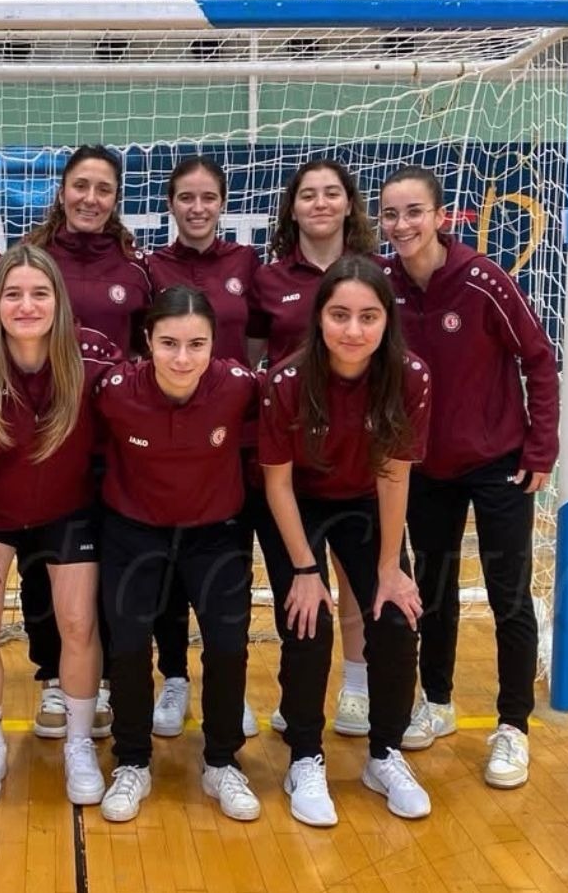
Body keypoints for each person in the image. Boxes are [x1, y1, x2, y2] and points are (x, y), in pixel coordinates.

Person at [379, 166, 558, 788]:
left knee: (510, 595)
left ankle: (512, 726)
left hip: (498, 463)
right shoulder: (382, 285)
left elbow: (539, 359)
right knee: (433, 591)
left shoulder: (484, 280)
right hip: (426, 467)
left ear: (440, 216)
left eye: (414, 212)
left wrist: (541, 447)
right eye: (391, 214)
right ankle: (438, 701)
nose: (402, 224)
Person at [0, 244, 122, 807]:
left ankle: (79, 743)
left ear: (59, 301)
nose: (26, 305)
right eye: (13, 294)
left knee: (78, 624)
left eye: (39, 293)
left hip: (70, 510)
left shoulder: (96, 359)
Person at [258, 255, 431, 826]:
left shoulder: (409, 376)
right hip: (299, 502)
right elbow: (277, 484)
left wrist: (389, 567)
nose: (353, 330)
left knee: (396, 617)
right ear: (319, 318)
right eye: (339, 315)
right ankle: (304, 756)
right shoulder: (286, 381)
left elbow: (395, 474)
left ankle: (385, 754)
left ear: (386, 321)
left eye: (368, 316)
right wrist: (306, 571)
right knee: (308, 621)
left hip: (365, 500)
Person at [93, 286, 260, 823]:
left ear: (215, 344)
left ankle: (221, 762)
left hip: (215, 534)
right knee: (127, 645)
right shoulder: (115, 390)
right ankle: (132, 762)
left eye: (196, 344)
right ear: (147, 340)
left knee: (228, 646)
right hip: (133, 532)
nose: (182, 358)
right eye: (169, 343)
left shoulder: (239, 386)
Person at [21, 144, 152, 740]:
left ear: (116, 198)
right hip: (41, 442)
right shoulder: (31, 256)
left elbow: (148, 353)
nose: (91, 199)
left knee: (100, 565)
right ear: (62, 190)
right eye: (81, 186)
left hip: (110, 444)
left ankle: (101, 680)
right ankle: (53, 676)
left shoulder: (135, 268)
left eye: (103, 189)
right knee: (41, 563)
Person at [250, 158, 381, 738]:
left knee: (356, 581)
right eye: (308, 195)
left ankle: (356, 687)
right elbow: (255, 360)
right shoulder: (269, 279)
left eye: (332, 193)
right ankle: (298, 697)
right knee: (299, 587)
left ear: (350, 203)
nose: (320, 203)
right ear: (292, 208)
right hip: (292, 463)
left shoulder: (377, 274)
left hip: (356, 462)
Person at [145, 156, 263, 740]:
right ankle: (174, 677)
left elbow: (258, 340)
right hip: (166, 444)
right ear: (171, 203)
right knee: (167, 569)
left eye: (208, 197)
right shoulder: (151, 266)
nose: (197, 208)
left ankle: (227, 686)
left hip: (231, 441)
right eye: (186, 197)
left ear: (223, 202)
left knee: (227, 568)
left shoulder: (247, 262)